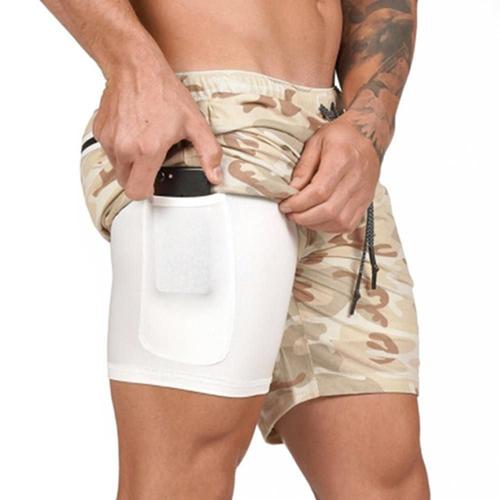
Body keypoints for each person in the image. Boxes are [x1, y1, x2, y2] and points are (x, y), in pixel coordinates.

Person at [42, 0, 430, 498]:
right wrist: (132, 63)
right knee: (181, 475)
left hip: (335, 148)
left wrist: (368, 125)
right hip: (207, 130)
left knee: (387, 482)